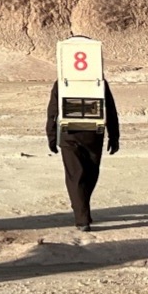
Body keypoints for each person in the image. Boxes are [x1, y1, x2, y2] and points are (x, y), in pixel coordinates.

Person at [46, 78, 119, 231]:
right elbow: (110, 110)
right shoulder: (98, 81)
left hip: (72, 135)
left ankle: (82, 211)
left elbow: (53, 111)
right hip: (92, 135)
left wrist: (52, 137)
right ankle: (82, 217)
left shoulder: (63, 82)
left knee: (78, 176)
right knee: (87, 174)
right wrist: (114, 136)